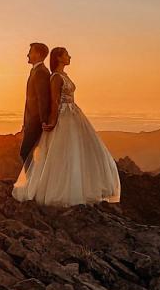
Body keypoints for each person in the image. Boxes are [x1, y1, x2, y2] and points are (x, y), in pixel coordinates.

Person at [13, 46, 120, 207]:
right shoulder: (55, 77)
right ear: (59, 58)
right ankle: (43, 186)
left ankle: (74, 187)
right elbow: (53, 101)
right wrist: (51, 121)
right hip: (63, 117)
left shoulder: (60, 75)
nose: (70, 57)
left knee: (75, 152)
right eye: (67, 55)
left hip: (73, 116)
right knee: (61, 153)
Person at [20, 42, 51, 164]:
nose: (27, 54)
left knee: (25, 152)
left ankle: (34, 182)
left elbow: (42, 98)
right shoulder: (35, 71)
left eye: (30, 52)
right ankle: (35, 181)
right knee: (30, 153)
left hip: (36, 121)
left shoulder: (41, 72)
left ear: (37, 54)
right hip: (31, 121)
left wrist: (43, 121)